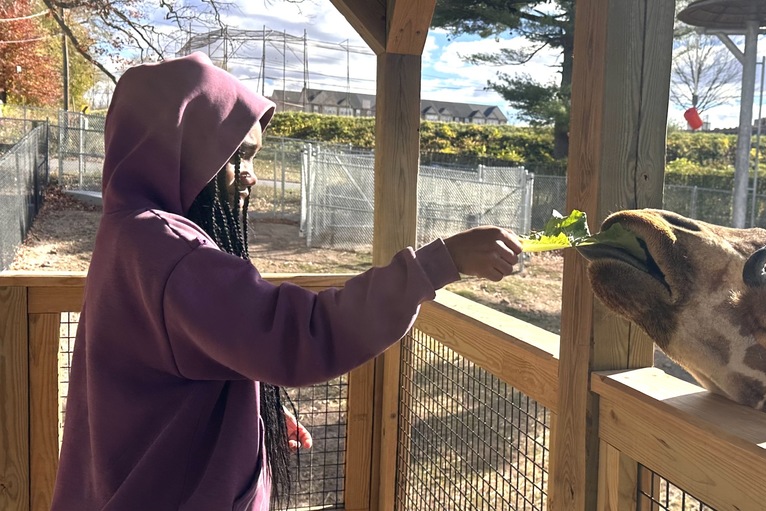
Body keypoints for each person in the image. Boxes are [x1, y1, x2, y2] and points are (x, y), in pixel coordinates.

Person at [51, 52, 522, 511]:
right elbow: (300, 334)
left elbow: (190, 353)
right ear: (181, 151)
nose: (251, 177)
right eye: (239, 158)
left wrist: (253, 412)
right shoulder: (169, 248)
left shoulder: (128, 233)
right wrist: (440, 264)